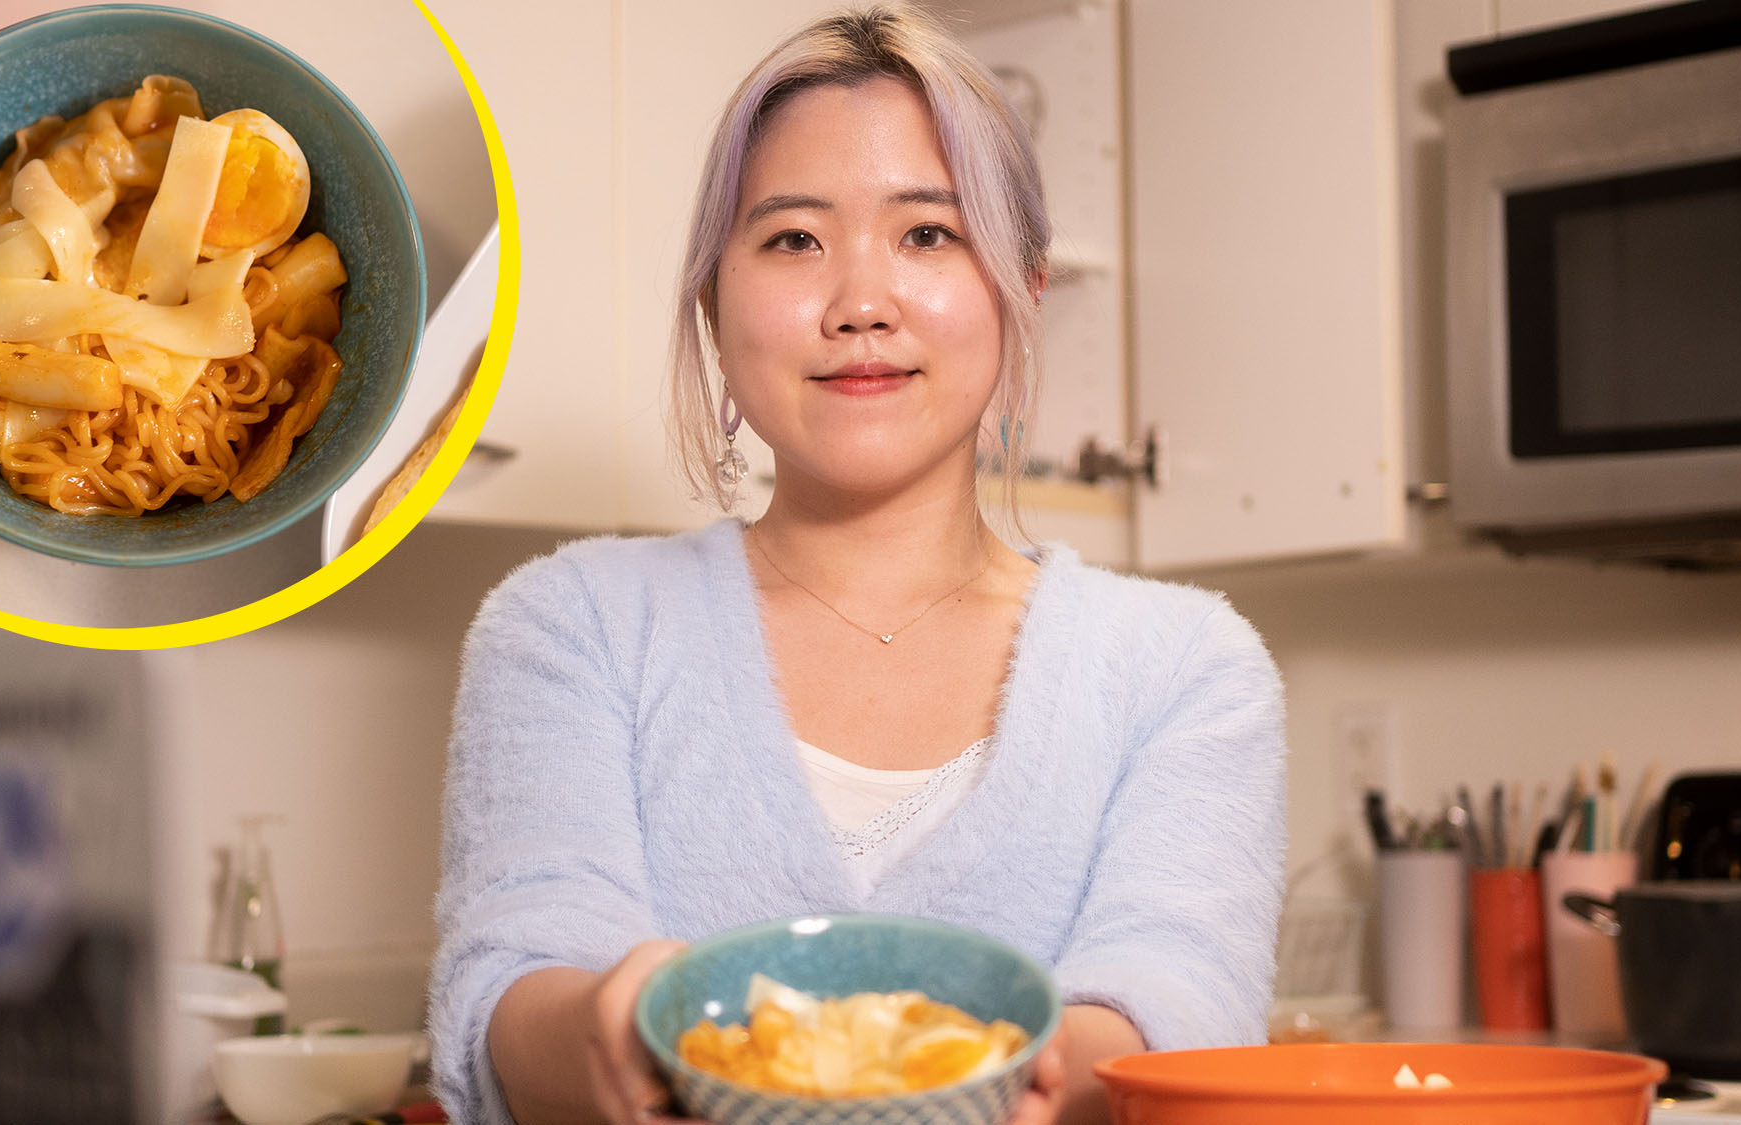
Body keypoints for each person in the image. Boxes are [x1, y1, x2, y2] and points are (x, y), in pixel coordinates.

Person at [429, 7, 1288, 1124]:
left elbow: (1181, 996)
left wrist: (1002, 1082)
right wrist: (596, 1036)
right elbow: (509, 987)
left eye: (927, 234)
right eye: (792, 239)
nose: (859, 305)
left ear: (1021, 291)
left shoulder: (1183, 666)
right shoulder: (566, 625)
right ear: (714, 305)